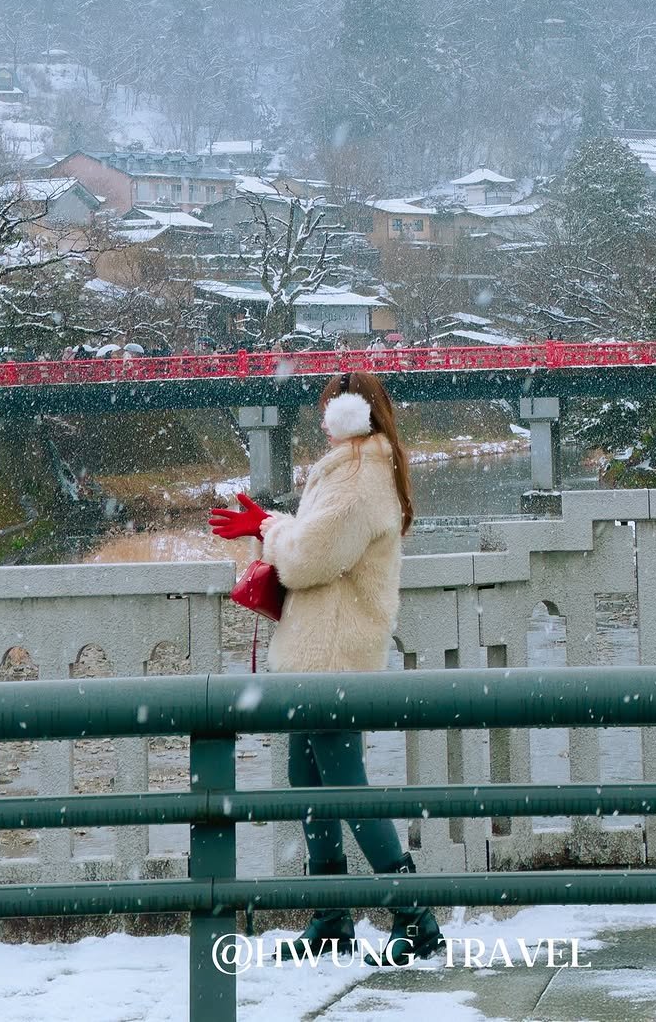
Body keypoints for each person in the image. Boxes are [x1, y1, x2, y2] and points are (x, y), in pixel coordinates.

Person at [210, 371, 444, 965]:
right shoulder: (353, 468)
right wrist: (274, 525)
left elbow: (311, 558)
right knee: (310, 779)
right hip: (320, 651)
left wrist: (267, 527)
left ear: (349, 415)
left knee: (343, 785)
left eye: (329, 407)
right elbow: (315, 543)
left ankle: (413, 914)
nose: (321, 418)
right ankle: (331, 915)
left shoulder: (361, 474)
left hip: (333, 655)